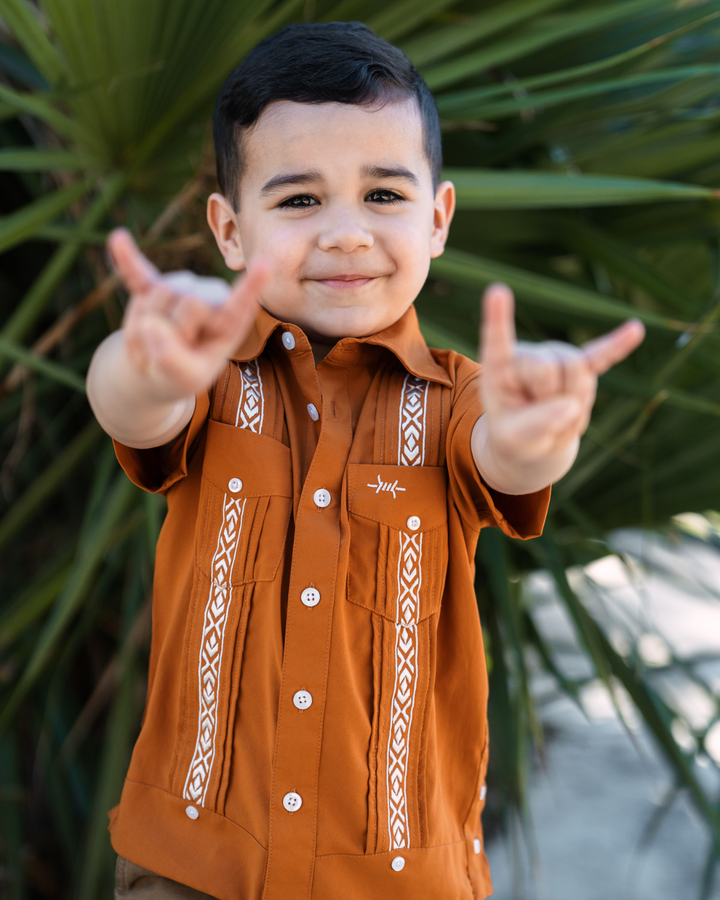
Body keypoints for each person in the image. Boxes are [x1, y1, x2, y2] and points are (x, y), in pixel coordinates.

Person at [86, 21, 645, 900]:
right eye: (300, 201)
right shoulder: (216, 382)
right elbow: (132, 404)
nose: (346, 234)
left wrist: (540, 432)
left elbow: (507, 456)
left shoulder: (457, 399)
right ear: (231, 232)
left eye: (383, 195)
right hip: (191, 869)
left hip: (399, 880)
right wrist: (144, 359)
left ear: (438, 216)